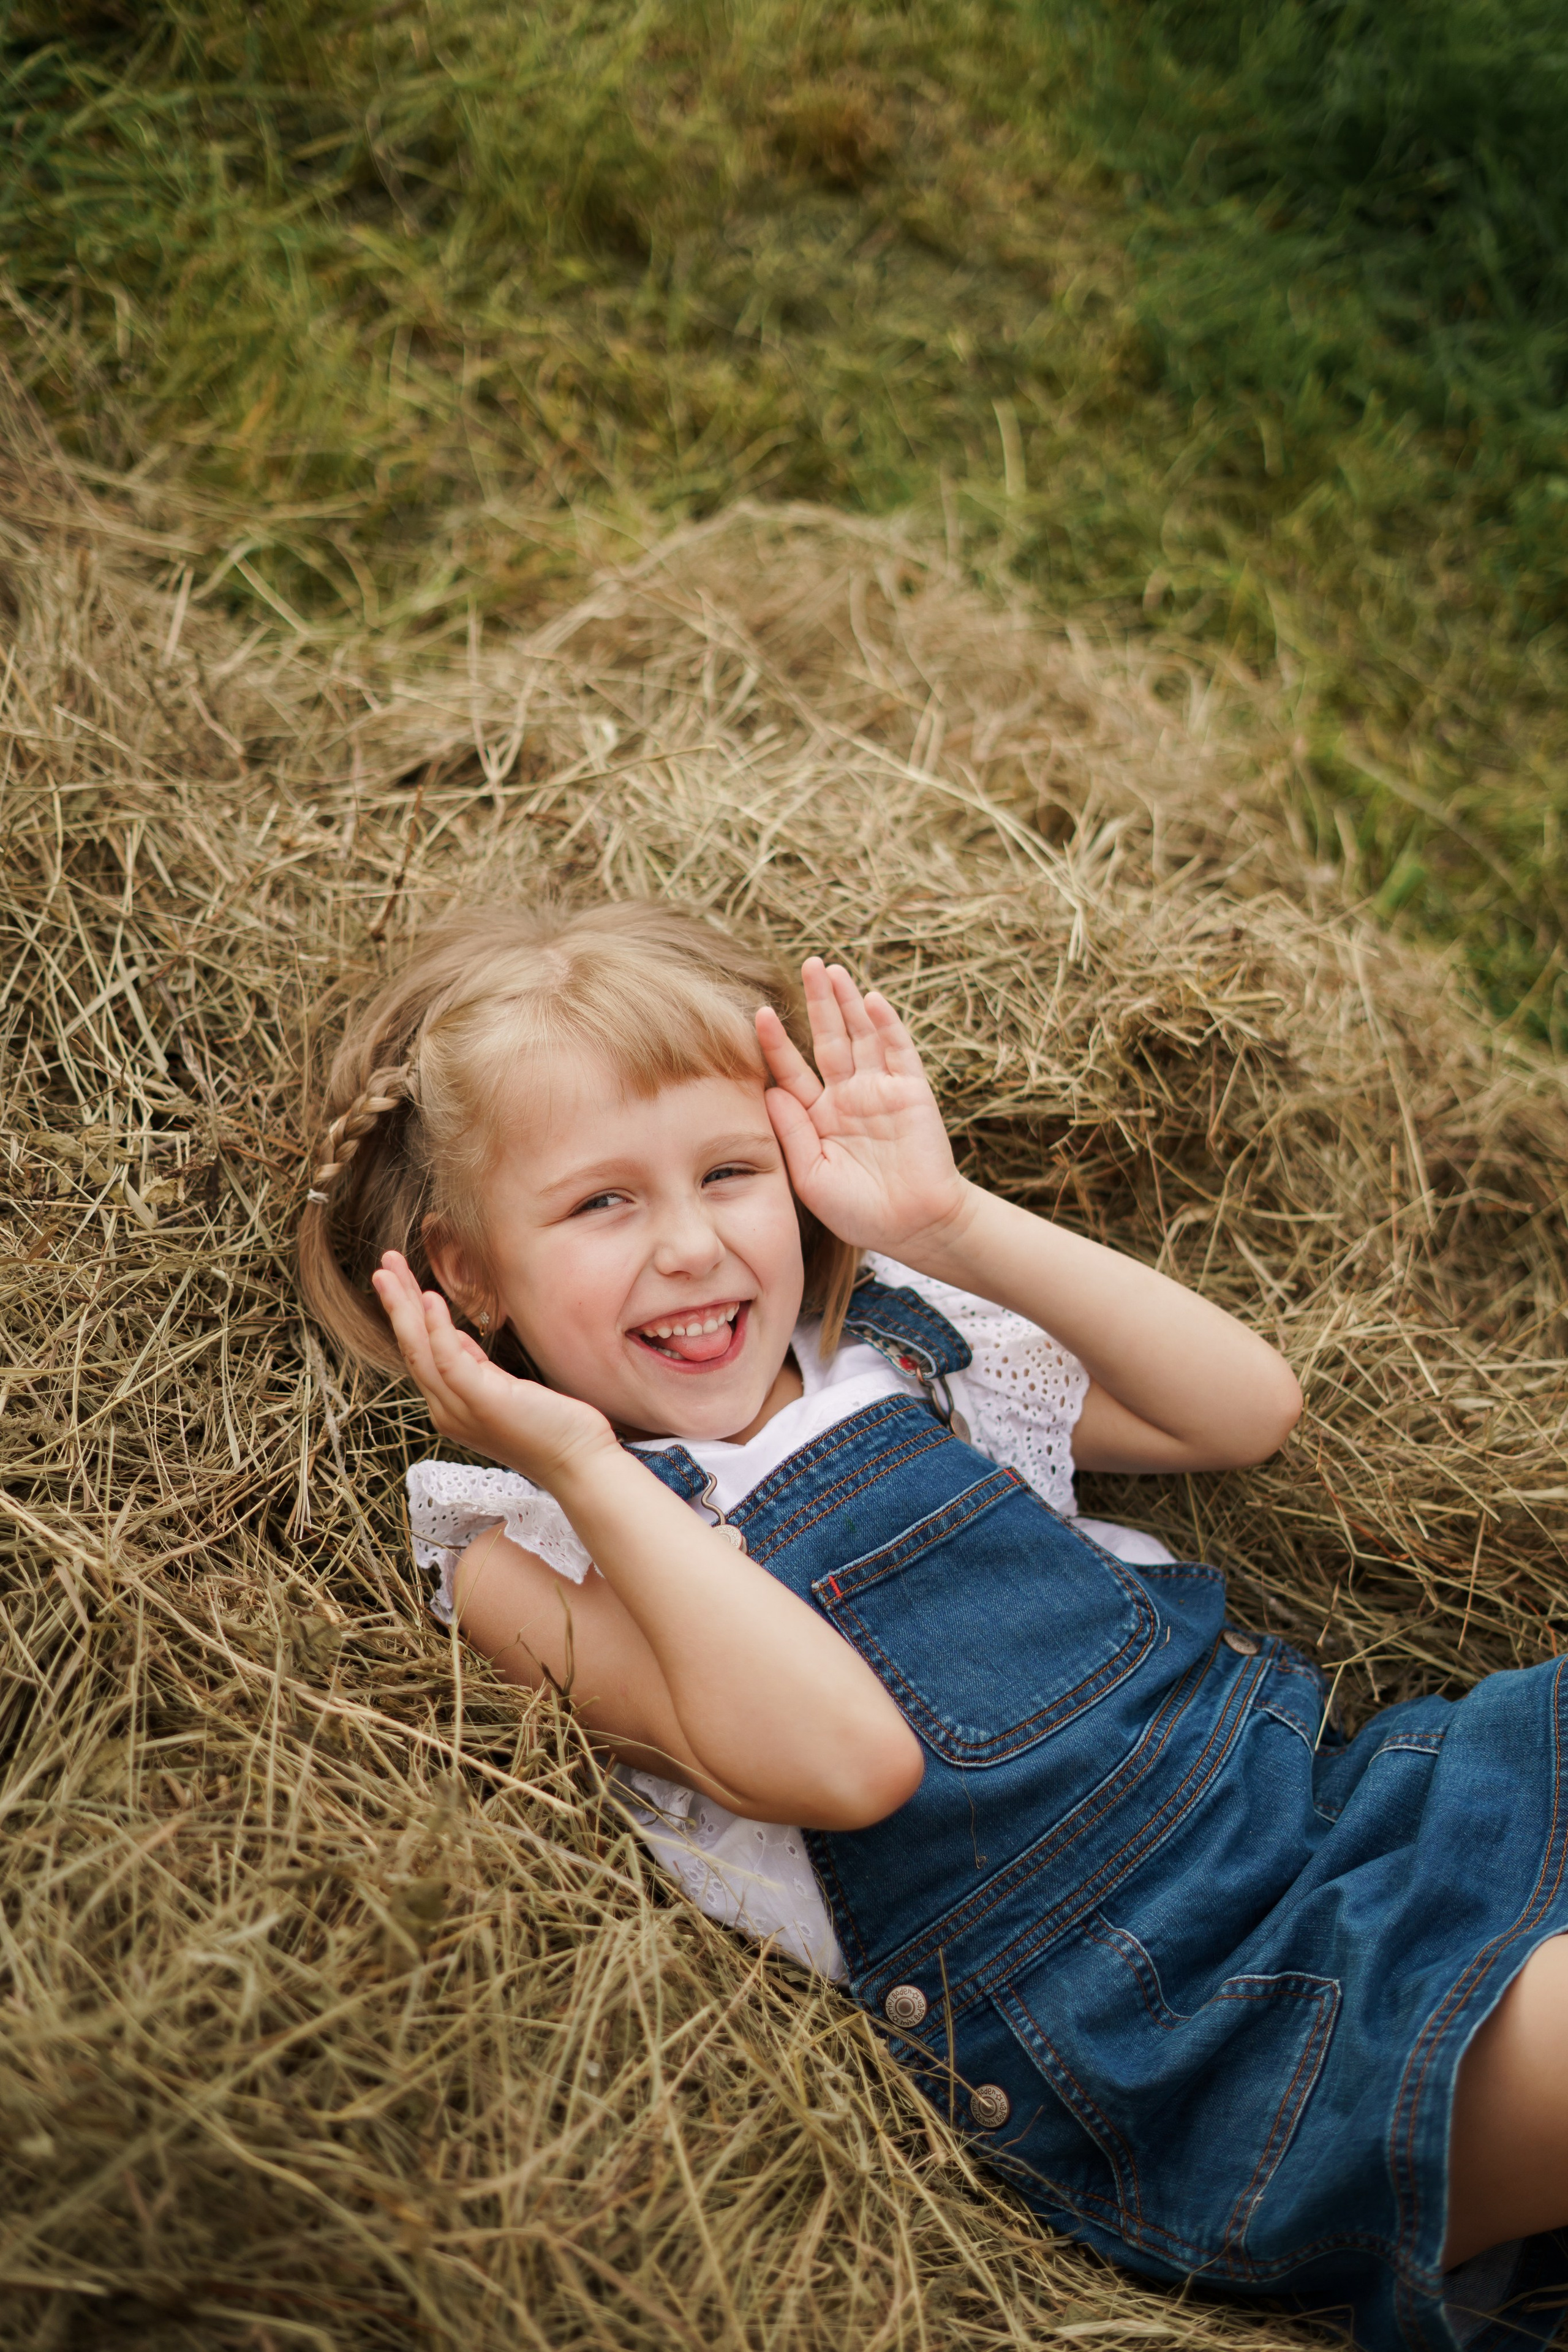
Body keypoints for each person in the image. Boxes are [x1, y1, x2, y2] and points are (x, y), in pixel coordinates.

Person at [298, 899, 1568, 2352]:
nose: (692, 1245)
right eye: (600, 1203)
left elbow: (1241, 1409)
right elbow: (845, 1768)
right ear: (464, 1271)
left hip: (1339, 1815)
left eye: (731, 1170)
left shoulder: (894, 1348)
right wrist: (580, 1462)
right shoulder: (521, 1542)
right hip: (1174, 2035)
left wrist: (946, 1219)